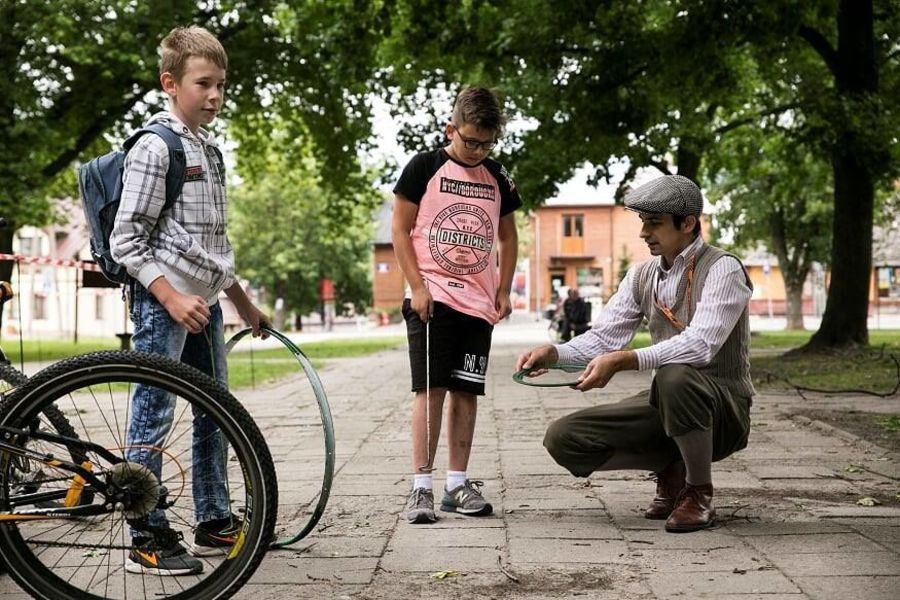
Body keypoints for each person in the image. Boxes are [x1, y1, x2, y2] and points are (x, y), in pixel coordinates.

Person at [110, 26, 269, 575]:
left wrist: (242, 304)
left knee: (215, 415)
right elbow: (127, 238)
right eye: (204, 84)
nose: (215, 95)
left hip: (206, 305)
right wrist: (170, 297)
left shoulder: (212, 151)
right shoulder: (157, 147)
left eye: (221, 84)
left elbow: (214, 247)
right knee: (153, 415)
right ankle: (145, 535)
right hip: (165, 304)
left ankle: (213, 520)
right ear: (170, 83)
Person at [516, 175, 753, 533]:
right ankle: (672, 467)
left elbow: (702, 344)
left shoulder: (723, 268)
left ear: (687, 223)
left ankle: (698, 491)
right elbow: (605, 338)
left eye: (654, 223)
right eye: (643, 222)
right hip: (668, 400)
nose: (644, 233)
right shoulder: (641, 275)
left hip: (724, 408)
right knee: (564, 438)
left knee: (675, 374)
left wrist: (628, 360)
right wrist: (555, 353)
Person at [392, 86, 521, 524]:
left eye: (487, 144)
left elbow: (507, 235)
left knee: (467, 392)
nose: (478, 151)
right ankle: (421, 488)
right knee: (431, 391)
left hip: (477, 305)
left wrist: (503, 289)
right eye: (470, 141)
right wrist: (417, 286)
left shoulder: (498, 177)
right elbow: (399, 229)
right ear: (452, 129)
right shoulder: (424, 167)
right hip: (433, 299)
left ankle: (456, 484)